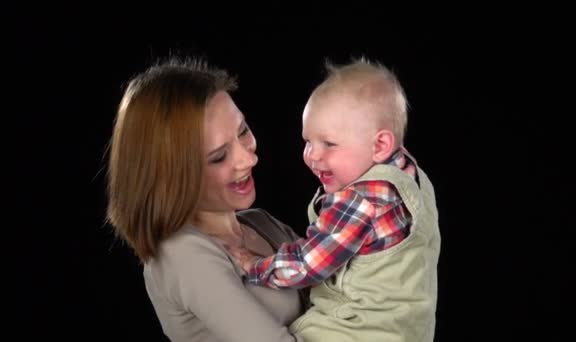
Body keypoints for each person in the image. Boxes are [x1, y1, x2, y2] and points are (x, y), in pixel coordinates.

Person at [229, 57, 441, 341]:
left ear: (380, 145)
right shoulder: (410, 176)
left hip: (353, 331)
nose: (312, 156)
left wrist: (253, 264)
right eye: (308, 141)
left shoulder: (359, 201)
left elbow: (307, 265)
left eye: (329, 144)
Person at [106, 56, 308, 342]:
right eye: (218, 157)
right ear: (170, 175)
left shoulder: (262, 223)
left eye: (243, 131)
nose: (249, 158)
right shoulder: (181, 253)